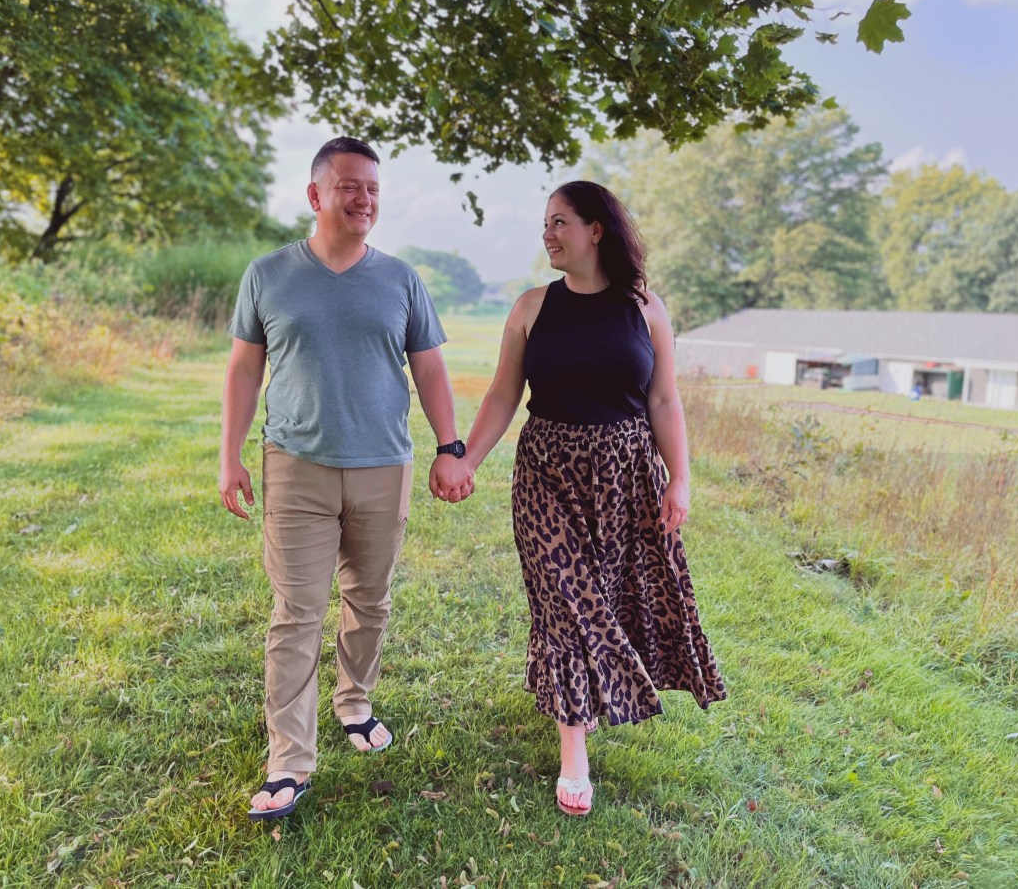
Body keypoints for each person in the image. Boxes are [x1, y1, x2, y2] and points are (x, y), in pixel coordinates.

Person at [434, 181, 726, 816]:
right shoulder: (532, 308)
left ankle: (587, 694)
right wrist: (464, 460)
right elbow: (504, 395)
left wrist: (680, 478)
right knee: (566, 603)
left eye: (560, 221)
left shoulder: (645, 308)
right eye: (545, 222)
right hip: (548, 474)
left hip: (624, 476)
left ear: (597, 231)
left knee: (610, 597)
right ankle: (574, 754)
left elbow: (664, 401)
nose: (548, 233)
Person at [219, 137, 469, 821]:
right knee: (295, 614)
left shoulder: (401, 279)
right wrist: (229, 454)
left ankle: (354, 702)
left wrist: (452, 446)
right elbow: (244, 369)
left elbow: (431, 369)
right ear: (316, 195)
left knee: (371, 599)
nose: (364, 200)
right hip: (294, 466)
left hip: (383, 465)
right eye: (350, 187)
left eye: (374, 190)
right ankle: (288, 761)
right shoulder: (269, 274)